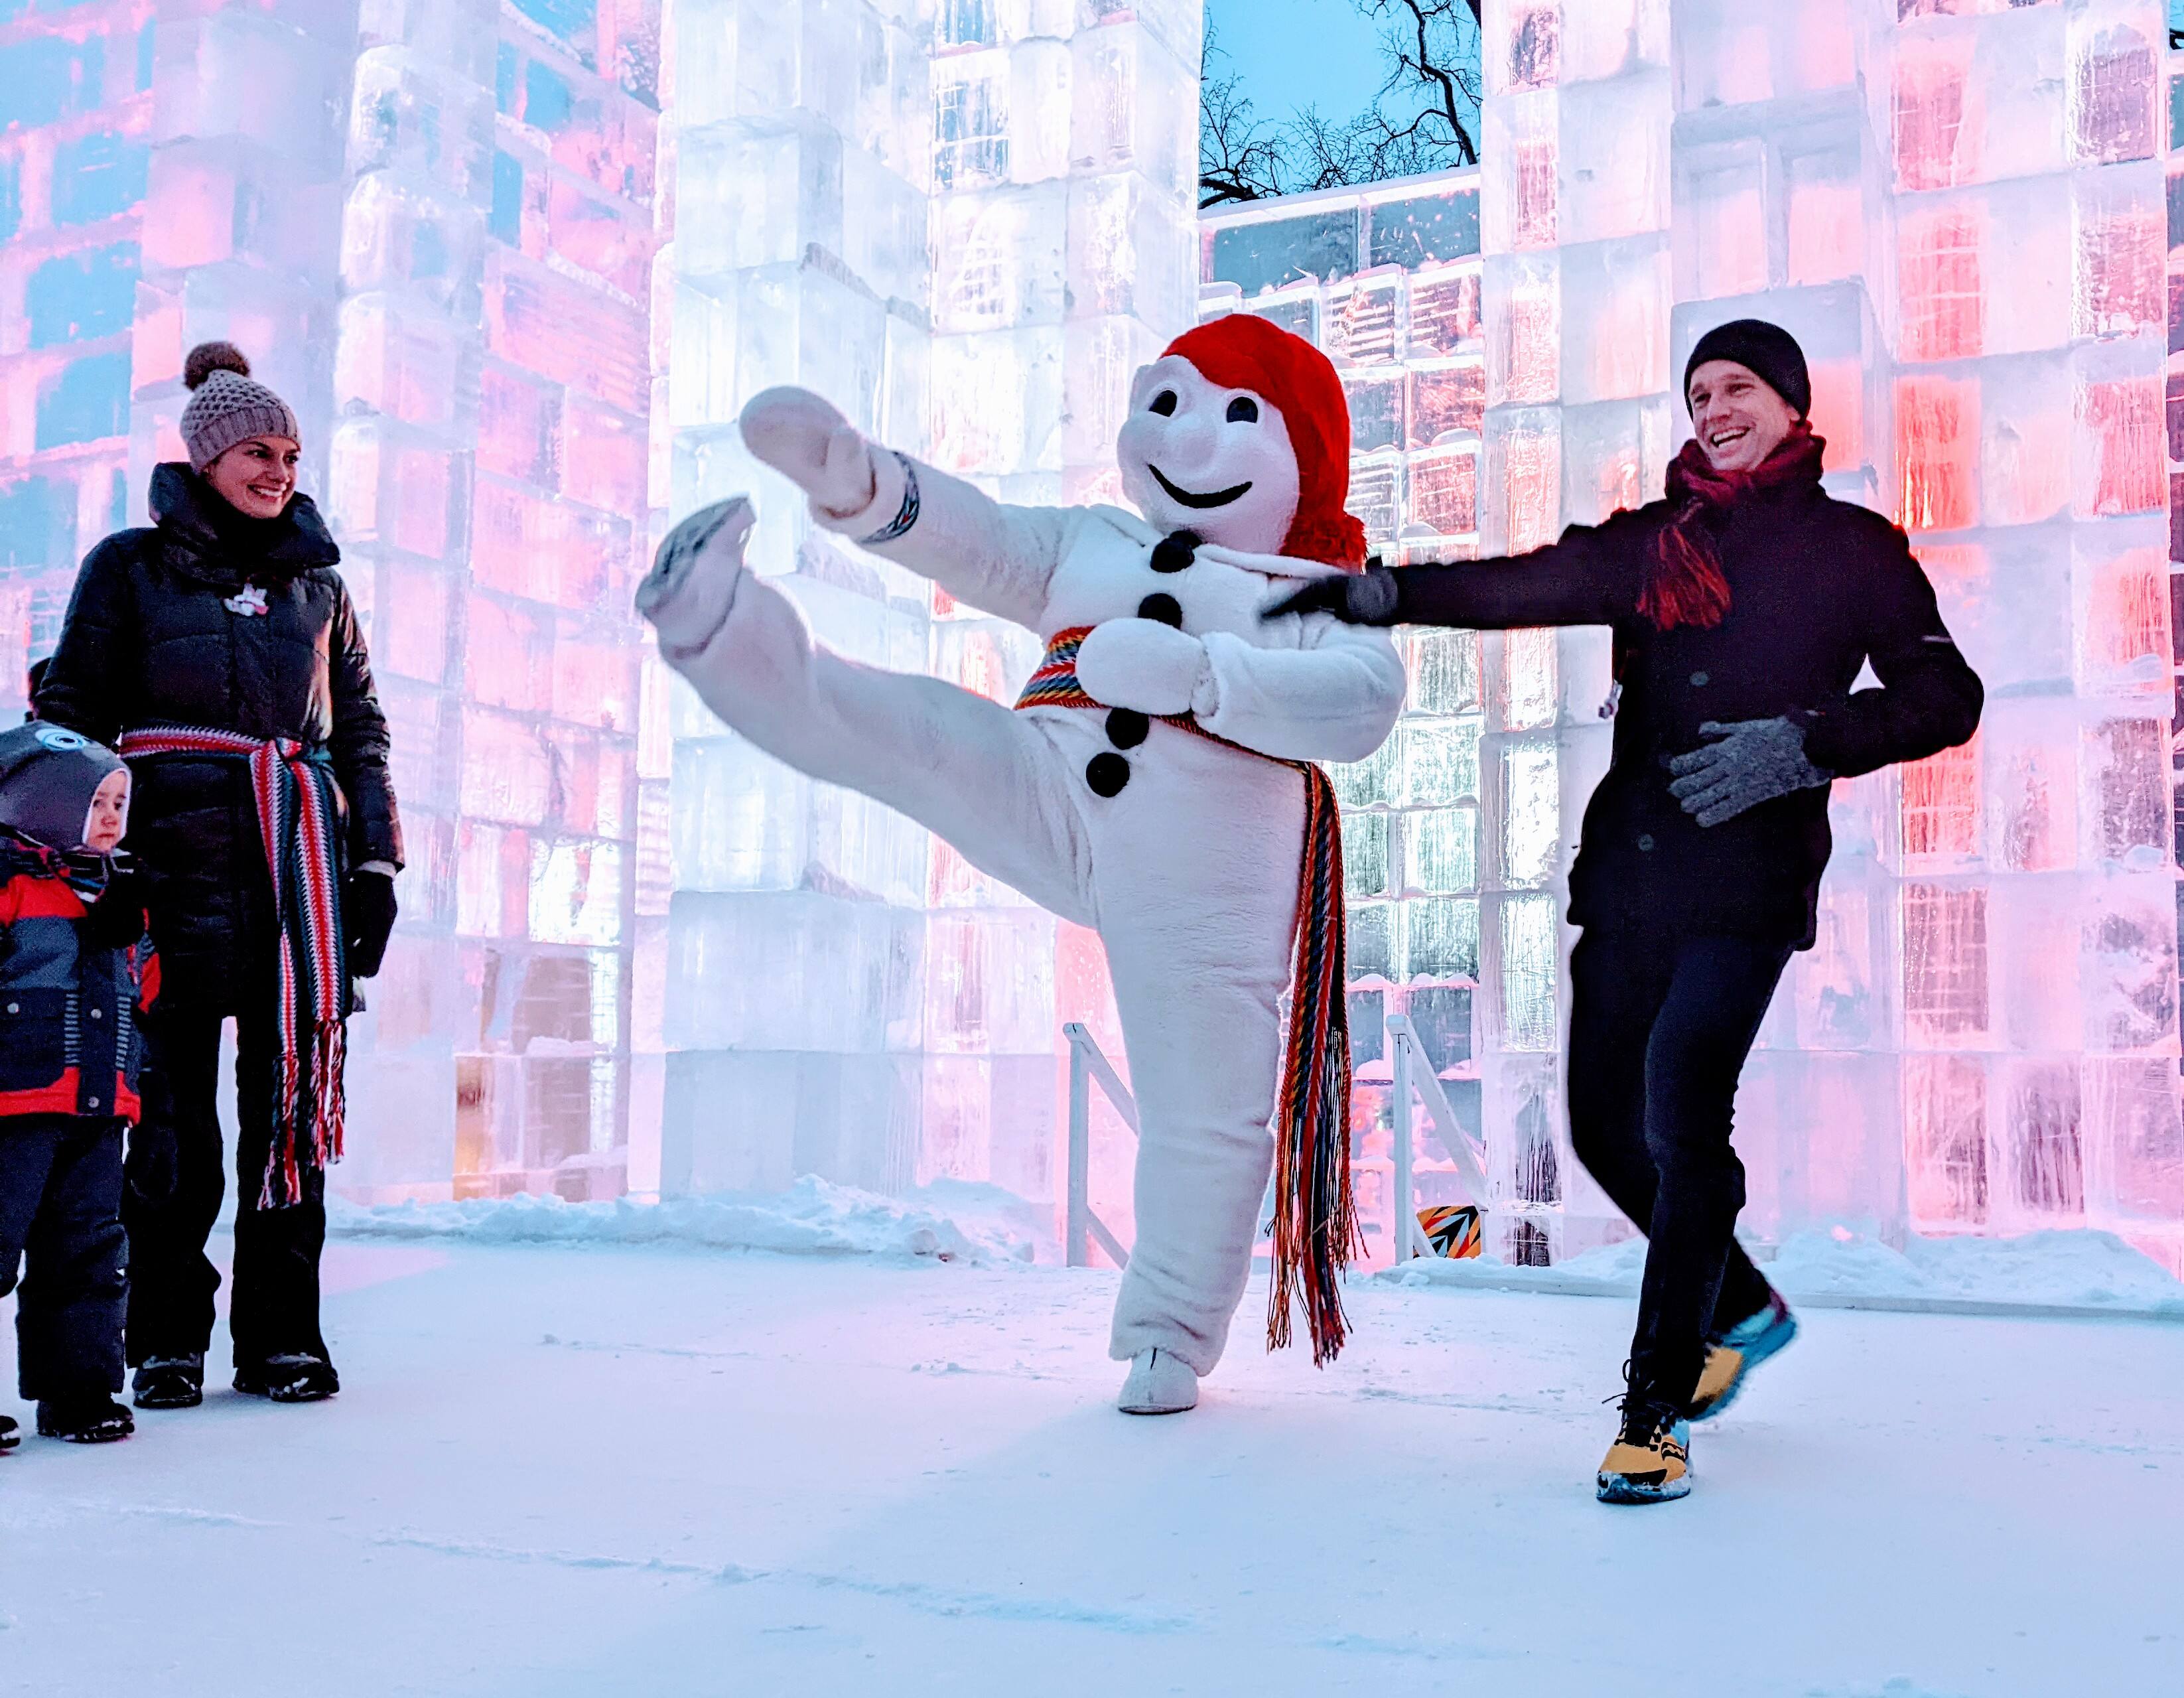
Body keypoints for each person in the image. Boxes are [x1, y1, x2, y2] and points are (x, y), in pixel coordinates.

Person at [1269, 320, 1984, 1503]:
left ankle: (1656, 1409)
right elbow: (1525, 583)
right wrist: (1379, 592)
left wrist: (1806, 745)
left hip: (1744, 883)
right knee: (1602, 1125)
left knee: (1680, 1112)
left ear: (1792, 404)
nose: (1712, 405)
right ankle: (1743, 1305)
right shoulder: (1658, 542)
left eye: (1737, 385)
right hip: (1631, 876)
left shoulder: (1851, 548)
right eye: (1698, 390)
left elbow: (1943, 694)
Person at [642, 313, 1406, 1413]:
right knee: (921, 734)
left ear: (1303, 454)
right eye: (1170, 405)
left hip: (1205, 876)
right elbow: (986, 542)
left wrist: (1203, 676)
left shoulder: (1318, 590)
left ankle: (1170, 1331)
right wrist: (863, 484)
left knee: (1206, 1102)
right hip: (1051, 782)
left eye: (1237, 416)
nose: (1188, 442)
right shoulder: (1092, 538)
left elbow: (1365, 699)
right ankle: (720, 626)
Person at [38, 342, 402, 1411]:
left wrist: (374, 862)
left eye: (290, 451)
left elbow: (363, 733)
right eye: (258, 449)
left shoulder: (320, 589)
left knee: (290, 1115)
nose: (280, 468)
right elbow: (70, 721)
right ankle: (165, 1336)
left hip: (296, 884)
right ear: (205, 458)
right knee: (171, 1130)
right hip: (166, 878)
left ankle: (284, 1334)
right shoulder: (128, 568)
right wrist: (88, 866)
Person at [0, 721, 163, 1448]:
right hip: (12, 1109)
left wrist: (149, 1100)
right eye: (94, 801)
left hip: (100, 1108)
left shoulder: (120, 898)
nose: (110, 819)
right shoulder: (9, 886)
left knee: (89, 1249)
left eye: (119, 803)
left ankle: (79, 1392)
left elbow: (148, 998)